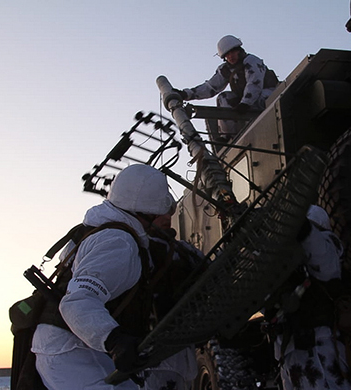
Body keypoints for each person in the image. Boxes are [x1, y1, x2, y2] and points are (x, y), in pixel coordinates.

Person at [31, 164, 175, 390]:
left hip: (69, 345)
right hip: (71, 351)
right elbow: (77, 302)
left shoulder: (97, 229)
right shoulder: (118, 243)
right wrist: (115, 341)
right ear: (150, 211)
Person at [265, 205, 351, 390]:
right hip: (292, 356)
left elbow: (318, 251)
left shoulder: (327, 248)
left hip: (321, 353)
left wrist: (300, 226)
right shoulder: (283, 261)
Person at [136, 203, 204, 390]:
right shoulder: (132, 248)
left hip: (178, 356)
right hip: (148, 359)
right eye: (158, 213)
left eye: (168, 213)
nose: (167, 218)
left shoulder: (183, 250)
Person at [175, 35, 279, 140]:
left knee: (261, 97)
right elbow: (210, 87)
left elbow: (254, 83)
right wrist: (186, 94)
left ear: (239, 50)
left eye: (233, 52)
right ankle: (227, 136)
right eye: (227, 55)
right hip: (244, 101)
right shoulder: (225, 69)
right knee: (223, 98)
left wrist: (246, 103)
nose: (231, 56)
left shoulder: (252, 61)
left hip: (266, 97)